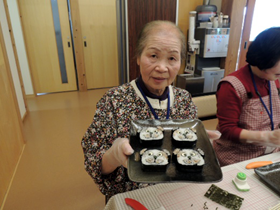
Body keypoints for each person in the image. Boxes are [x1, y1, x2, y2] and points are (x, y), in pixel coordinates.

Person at [81, 20, 220, 201]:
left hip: (176, 194)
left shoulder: (184, 99)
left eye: (172, 58)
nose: (162, 67)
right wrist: (114, 154)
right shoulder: (114, 101)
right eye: (153, 55)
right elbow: (95, 164)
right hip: (132, 197)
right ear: (138, 56)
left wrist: (197, 145)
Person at [213, 27, 280, 166]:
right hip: (238, 157)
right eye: (278, 74)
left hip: (271, 153)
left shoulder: (273, 78)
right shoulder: (231, 86)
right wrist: (267, 137)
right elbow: (227, 130)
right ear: (265, 59)